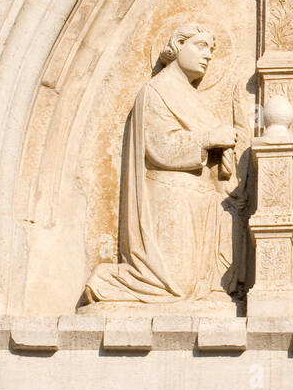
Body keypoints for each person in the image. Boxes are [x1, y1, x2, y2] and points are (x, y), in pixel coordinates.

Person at [81, 21, 244, 306]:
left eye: (212, 49)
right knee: (174, 287)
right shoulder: (156, 91)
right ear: (177, 46)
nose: (208, 55)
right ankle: (106, 282)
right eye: (200, 46)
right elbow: (160, 147)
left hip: (198, 202)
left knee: (198, 286)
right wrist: (209, 138)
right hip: (170, 200)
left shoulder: (190, 97)